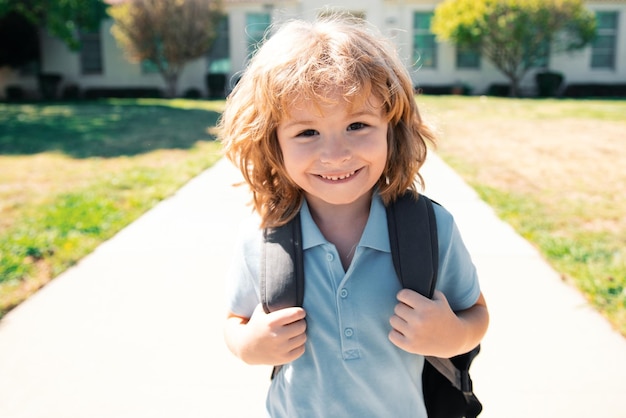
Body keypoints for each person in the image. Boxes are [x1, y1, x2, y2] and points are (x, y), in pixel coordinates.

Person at [219, 15, 489, 418]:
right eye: (307, 133)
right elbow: (234, 320)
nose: (335, 154)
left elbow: (476, 314)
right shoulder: (263, 238)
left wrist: (452, 336)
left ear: (391, 130)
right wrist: (248, 346)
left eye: (357, 125)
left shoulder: (429, 230)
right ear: (273, 142)